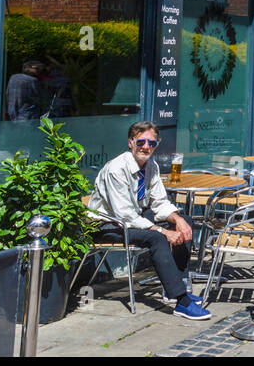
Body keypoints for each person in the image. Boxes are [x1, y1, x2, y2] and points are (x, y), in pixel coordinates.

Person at [88, 121, 209, 320]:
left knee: (184, 220)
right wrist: (162, 231)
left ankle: (177, 286)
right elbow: (124, 214)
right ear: (130, 143)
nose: (146, 147)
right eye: (141, 141)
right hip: (106, 224)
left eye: (151, 143)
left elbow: (160, 202)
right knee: (157, 238)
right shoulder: (116, 169)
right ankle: (181, 301)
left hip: (131, 218)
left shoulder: (150, 166)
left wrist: (178, 220)